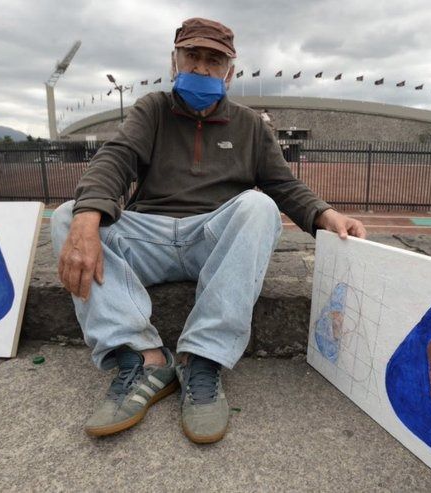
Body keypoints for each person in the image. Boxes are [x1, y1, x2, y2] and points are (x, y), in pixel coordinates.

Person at [51, 17, 366, 444]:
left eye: (213, 60)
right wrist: (88, 220)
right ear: (174, 60)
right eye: (192, 56)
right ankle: (143, 358)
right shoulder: (153, 109)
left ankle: (201, 357)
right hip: (152, 236)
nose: (201, 68)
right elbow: (116, 158)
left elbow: (282, 184)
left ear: (229, 72)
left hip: (211, 238)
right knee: (68, 215)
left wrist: (324, 214)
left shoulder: (251, 126)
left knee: (258, 205)